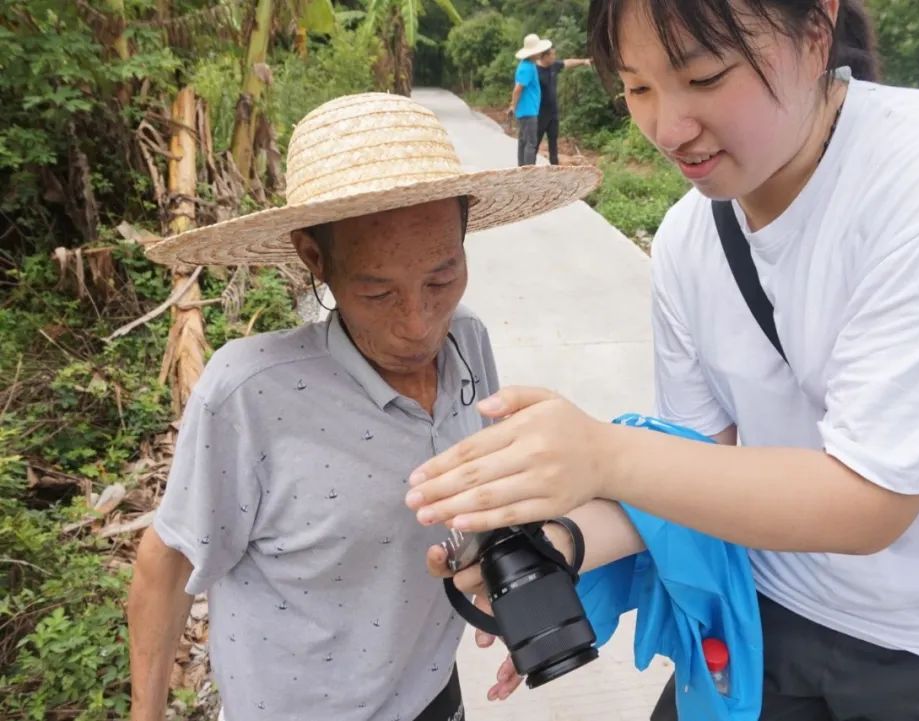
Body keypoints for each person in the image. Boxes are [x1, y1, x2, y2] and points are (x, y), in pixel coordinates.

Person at [408, 1, 919, 719]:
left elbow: (869, 502)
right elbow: (698, 468)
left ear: (816, 31)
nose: (668, 128)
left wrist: (601, 454)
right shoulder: (689, 239)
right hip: (773, 614)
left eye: (704, 76)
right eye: (637, 88)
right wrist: (557, 543)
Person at [129, 92, 600, 721]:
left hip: (432, 692)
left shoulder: (469, 343)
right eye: (378, 292)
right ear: (315, 258)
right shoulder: (251, 394)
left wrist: (518, 589)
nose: (418, 322)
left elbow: (474, 501)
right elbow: (166, 563)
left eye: (441, 277)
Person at [535, 48, 592, 165]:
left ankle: (555, 169)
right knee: (534, 144)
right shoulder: (534, 70)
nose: (554, 57)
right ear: (545, 56)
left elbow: (568, 62)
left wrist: (584, 61)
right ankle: (528, 169)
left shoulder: (554, 66)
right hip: (539, 114)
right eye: (552, 55)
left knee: (553, 143)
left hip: (553, 113)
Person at [508, 33, 547, 166]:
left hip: (526, 110)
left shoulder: (527, 64)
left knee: (523, 141)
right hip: (528, 111)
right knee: (531, 142)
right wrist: (513, 105)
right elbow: (518, 89)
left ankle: (522, 169)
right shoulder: (527, 68)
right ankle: (529, 171)